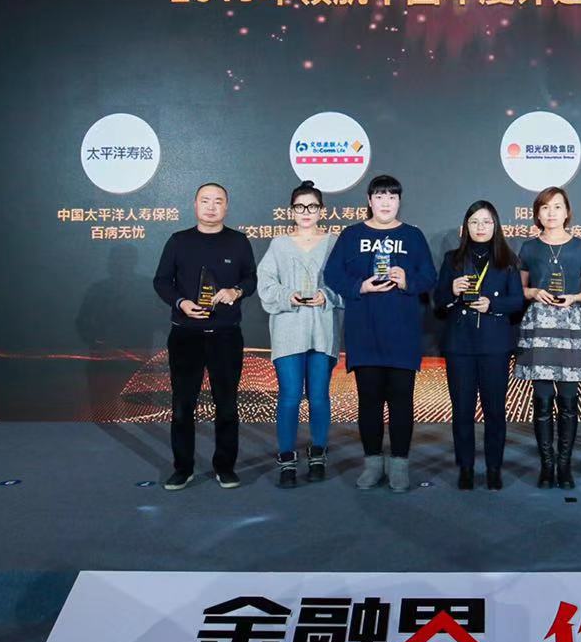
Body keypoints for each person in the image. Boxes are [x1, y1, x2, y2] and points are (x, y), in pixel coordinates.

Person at [323, 174, 437, 494]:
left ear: (399, 201)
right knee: (369, 402)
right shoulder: (351, 235)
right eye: (380, 196)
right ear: (369, 200)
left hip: (402, 335)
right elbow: (332, 274)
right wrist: (359, 286)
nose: (386, 202)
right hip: (365, 334)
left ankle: (399, 464)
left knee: (401, 402)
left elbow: (429, 276)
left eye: (392, 197)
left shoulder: (412, 236)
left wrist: (407, 280)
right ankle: (372, 464)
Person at [151, 182, 256, 490]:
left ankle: (225, 467)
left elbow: (251, 278)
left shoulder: (238, 241)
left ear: (227, 207)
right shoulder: (178, 241)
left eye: (218, 201)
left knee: (227, 404)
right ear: (195, 205)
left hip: (225, 335)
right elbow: (161, 281)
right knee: (183, 405)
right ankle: (183, 468)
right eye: (205, 200)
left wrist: (236, 291)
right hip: (186, 335)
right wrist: (181, 302)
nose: (211, 207)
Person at [256, 180, 342, 488]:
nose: (306, 212)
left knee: (319, 396)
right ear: (291, 211)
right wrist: (287, 296)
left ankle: (318, 453)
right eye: (300, 207)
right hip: (288, 330)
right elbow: (265, 284)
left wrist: (326, 296)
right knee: (290, 396)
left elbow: (347, 284)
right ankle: (287, 459)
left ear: (322, 211)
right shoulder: (279, 244)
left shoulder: (335, 243)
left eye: (312, 206)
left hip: (323, 329)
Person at [433, 200, 524, 491]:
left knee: (495, 410)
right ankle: (466, 467)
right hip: (459, 344)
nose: (480, 227)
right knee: (462, 410)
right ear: (466, 227)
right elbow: (438, 302)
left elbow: (517, 301)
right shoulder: (453, 259)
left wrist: (492, 305)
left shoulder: (507, 259)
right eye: (474, 222)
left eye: (486, 222)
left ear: (495, 226)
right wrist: (452, 290)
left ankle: (494, 468)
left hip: (494, 345)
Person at [515, 186, 581, 489]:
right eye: (545, 207)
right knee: (541, 400)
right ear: (537, 213)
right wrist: (533, 292)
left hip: (570, 326)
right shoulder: (529, 248)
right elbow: (519, 289)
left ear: (567, 212)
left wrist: (574, 297)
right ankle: (546, 465)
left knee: (568, 400)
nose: (551, 213)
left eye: (557, 207)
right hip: (539, 325)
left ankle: (564, 466)